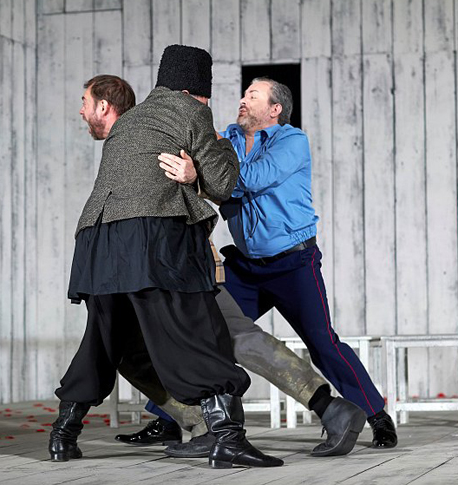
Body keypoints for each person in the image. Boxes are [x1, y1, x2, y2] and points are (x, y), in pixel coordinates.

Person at [82, 76, 366, 458]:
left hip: (183, 266)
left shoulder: (175, 128)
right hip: (172, 266)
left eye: (85, 102)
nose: (81, 111)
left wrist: (196, 177)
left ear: (105, 107)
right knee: (192, 343)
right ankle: (208, 424)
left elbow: (229, 181)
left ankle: (327, 410)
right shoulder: (174, 132)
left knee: (235, 337)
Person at [48, 46, 282, 469]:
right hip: (152, 236)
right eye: (206, 96)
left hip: (96, 241)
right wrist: (223, 146)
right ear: (194, 91)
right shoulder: (192, 111)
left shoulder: (130, 119)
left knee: (104, 337)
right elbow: (223, 184)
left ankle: (63, 434)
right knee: (197, 332)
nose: (207, 103)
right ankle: (228, 438)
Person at [159, 77, 398, 449]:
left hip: (293, 263)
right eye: (244, 94)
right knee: (202, 328)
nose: (243, 99)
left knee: (322, 343)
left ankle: (376, 415)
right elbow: (207, 173)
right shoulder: (227, 139)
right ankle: (169, 419)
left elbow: (253, 178)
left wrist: (200, 176)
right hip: (246, 267)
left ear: (275, 109)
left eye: (253, 95)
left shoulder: (292, 141)